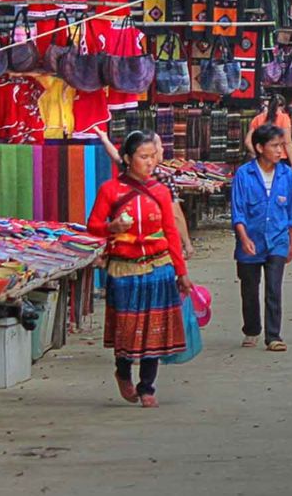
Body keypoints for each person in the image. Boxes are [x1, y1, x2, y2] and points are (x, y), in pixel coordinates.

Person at [88, 129, 192, 408]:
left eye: (152, 156)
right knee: (127, 328)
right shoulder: (110, 190)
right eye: (143, 157)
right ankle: (123, 372)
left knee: (154, 330)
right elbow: (93, 227)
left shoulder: (160, 191)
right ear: (127, 159)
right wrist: (111, 227)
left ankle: (147, 386)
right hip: (124, 269)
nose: (150, 162)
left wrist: (181, 272)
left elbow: (170, 233)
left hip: (158, 268)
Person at [231, 124, 292, 352]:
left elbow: (291, 213)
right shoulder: (244, 174)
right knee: (249, 289)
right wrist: (243, 238)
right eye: (274, 146)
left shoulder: (287, 175)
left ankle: (273, 336)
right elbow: (238, 211)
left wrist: (291, 243)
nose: (279, 151)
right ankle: (251, 329)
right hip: (250, 241)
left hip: (277, 239)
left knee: (274, 289)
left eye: (281, 146)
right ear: (260, 148)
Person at [94, 127, 194, 259]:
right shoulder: (162, 178)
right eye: (160, 146)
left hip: (128, 255)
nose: (162, 149)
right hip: (156, 251)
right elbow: (175, 215)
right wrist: (186, 242)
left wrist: (105, 140)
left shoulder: (130, 169)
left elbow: (117, 157)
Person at [247, 94, 292, 172]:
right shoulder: (284, 118)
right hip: (280, 158)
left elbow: (248, 142)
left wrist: (258, 154)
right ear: (283, 106)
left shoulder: (257, 118)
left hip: (262, 159)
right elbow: (287, 143)